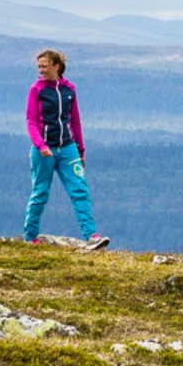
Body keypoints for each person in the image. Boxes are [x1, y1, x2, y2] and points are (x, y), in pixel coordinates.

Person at [23, 48, 109, 250]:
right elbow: (31, 120)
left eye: (44, 66)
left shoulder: (69, 89)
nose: (41, 70)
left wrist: (81, 151)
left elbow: (75, 121)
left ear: (56, 66)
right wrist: (41, 146)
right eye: (39, 67)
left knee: (80, 190)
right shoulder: (36, 89)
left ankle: (92, 236)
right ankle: (30, 236)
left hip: (68, 148)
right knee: (40, 192)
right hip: (44, 150)